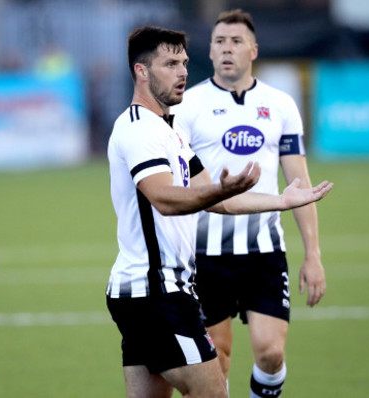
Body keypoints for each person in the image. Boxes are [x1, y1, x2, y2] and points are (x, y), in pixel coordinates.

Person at [106, 26, 333, 398]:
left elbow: (218, 200)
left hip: (154, 291)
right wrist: (219, 188)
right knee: (213, 393)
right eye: (169, 64)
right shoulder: (138, 130)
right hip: (155, 293)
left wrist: (280, 200)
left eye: (183, 62)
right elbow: (163, 197)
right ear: (141, 72)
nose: (182, 72)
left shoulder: (171, 131)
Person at [172, 9, 327, 398]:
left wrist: (313, 255)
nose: (227, 49)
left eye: (236, 41)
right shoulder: (187, 106)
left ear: (253, 50)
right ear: (209, 50)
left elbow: (300, 184)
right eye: (219, 42)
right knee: (218, 361)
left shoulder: (280, 105)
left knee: (271, 353)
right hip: (204, 255)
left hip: (264, 253)